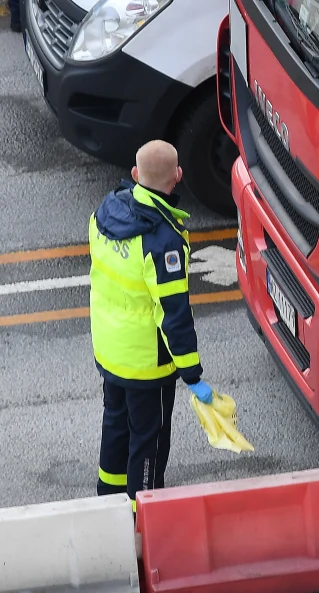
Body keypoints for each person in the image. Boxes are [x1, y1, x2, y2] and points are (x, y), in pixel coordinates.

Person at [89, 140, 213, 505]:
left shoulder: (106, 212)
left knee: (116, 424)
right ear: (178, 176)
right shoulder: (163, 242)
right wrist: (192, 375)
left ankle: (107, 499)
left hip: (111, 351)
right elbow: (174, 315)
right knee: (149, 441)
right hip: (147, 363)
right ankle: (142, 514)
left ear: (134, 175)